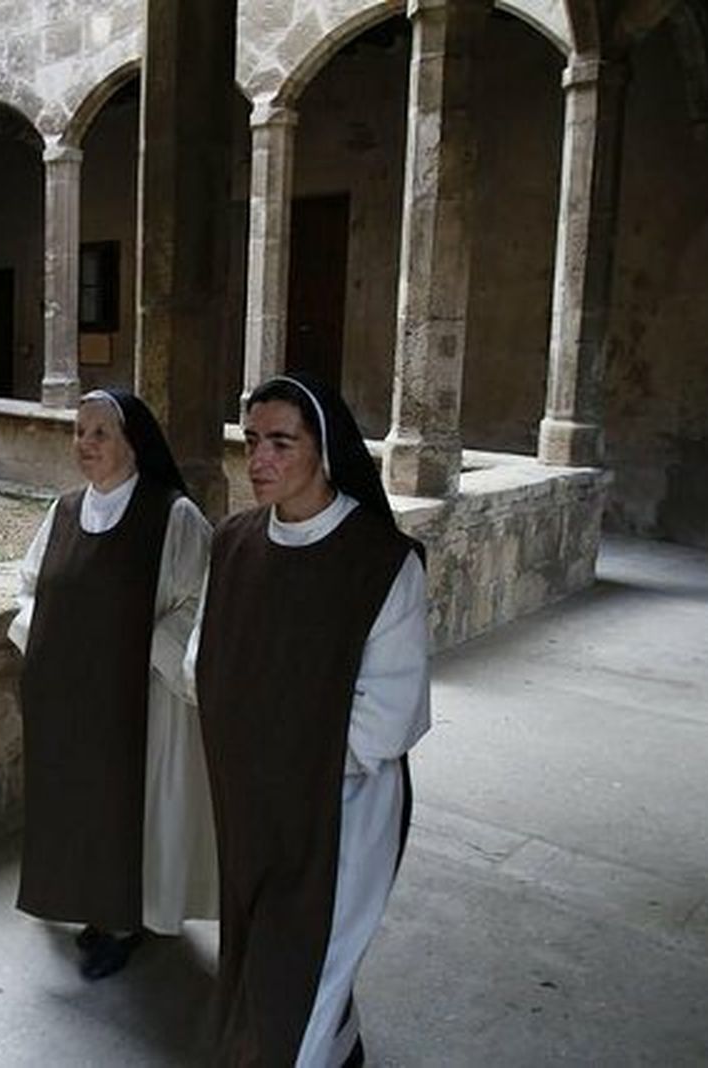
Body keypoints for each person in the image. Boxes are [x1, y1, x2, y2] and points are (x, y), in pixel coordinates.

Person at [185, 373, 431, 1066]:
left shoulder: (381, 563)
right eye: (253, 441)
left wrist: (283, 748)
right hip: (251, 802)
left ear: (325, 452)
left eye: (281, 443)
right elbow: (203, 660)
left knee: (303, 964)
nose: (259, 460)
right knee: (265, 946)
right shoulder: (232, 542)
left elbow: (387, 718)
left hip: (342, 810)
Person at [9, 387, 218, 980]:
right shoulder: (65, 511)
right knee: (77, 803)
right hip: (71, 695)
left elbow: (201, 601)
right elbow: (30, 586)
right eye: (79, 432)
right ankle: (88, 908)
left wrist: (145, 645)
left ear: (133, 443)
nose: (85, 444)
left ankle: (126, 921)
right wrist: (45, 634)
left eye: (101, 433)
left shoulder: (171, 515)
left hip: (139, 698)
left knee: (129, 807)